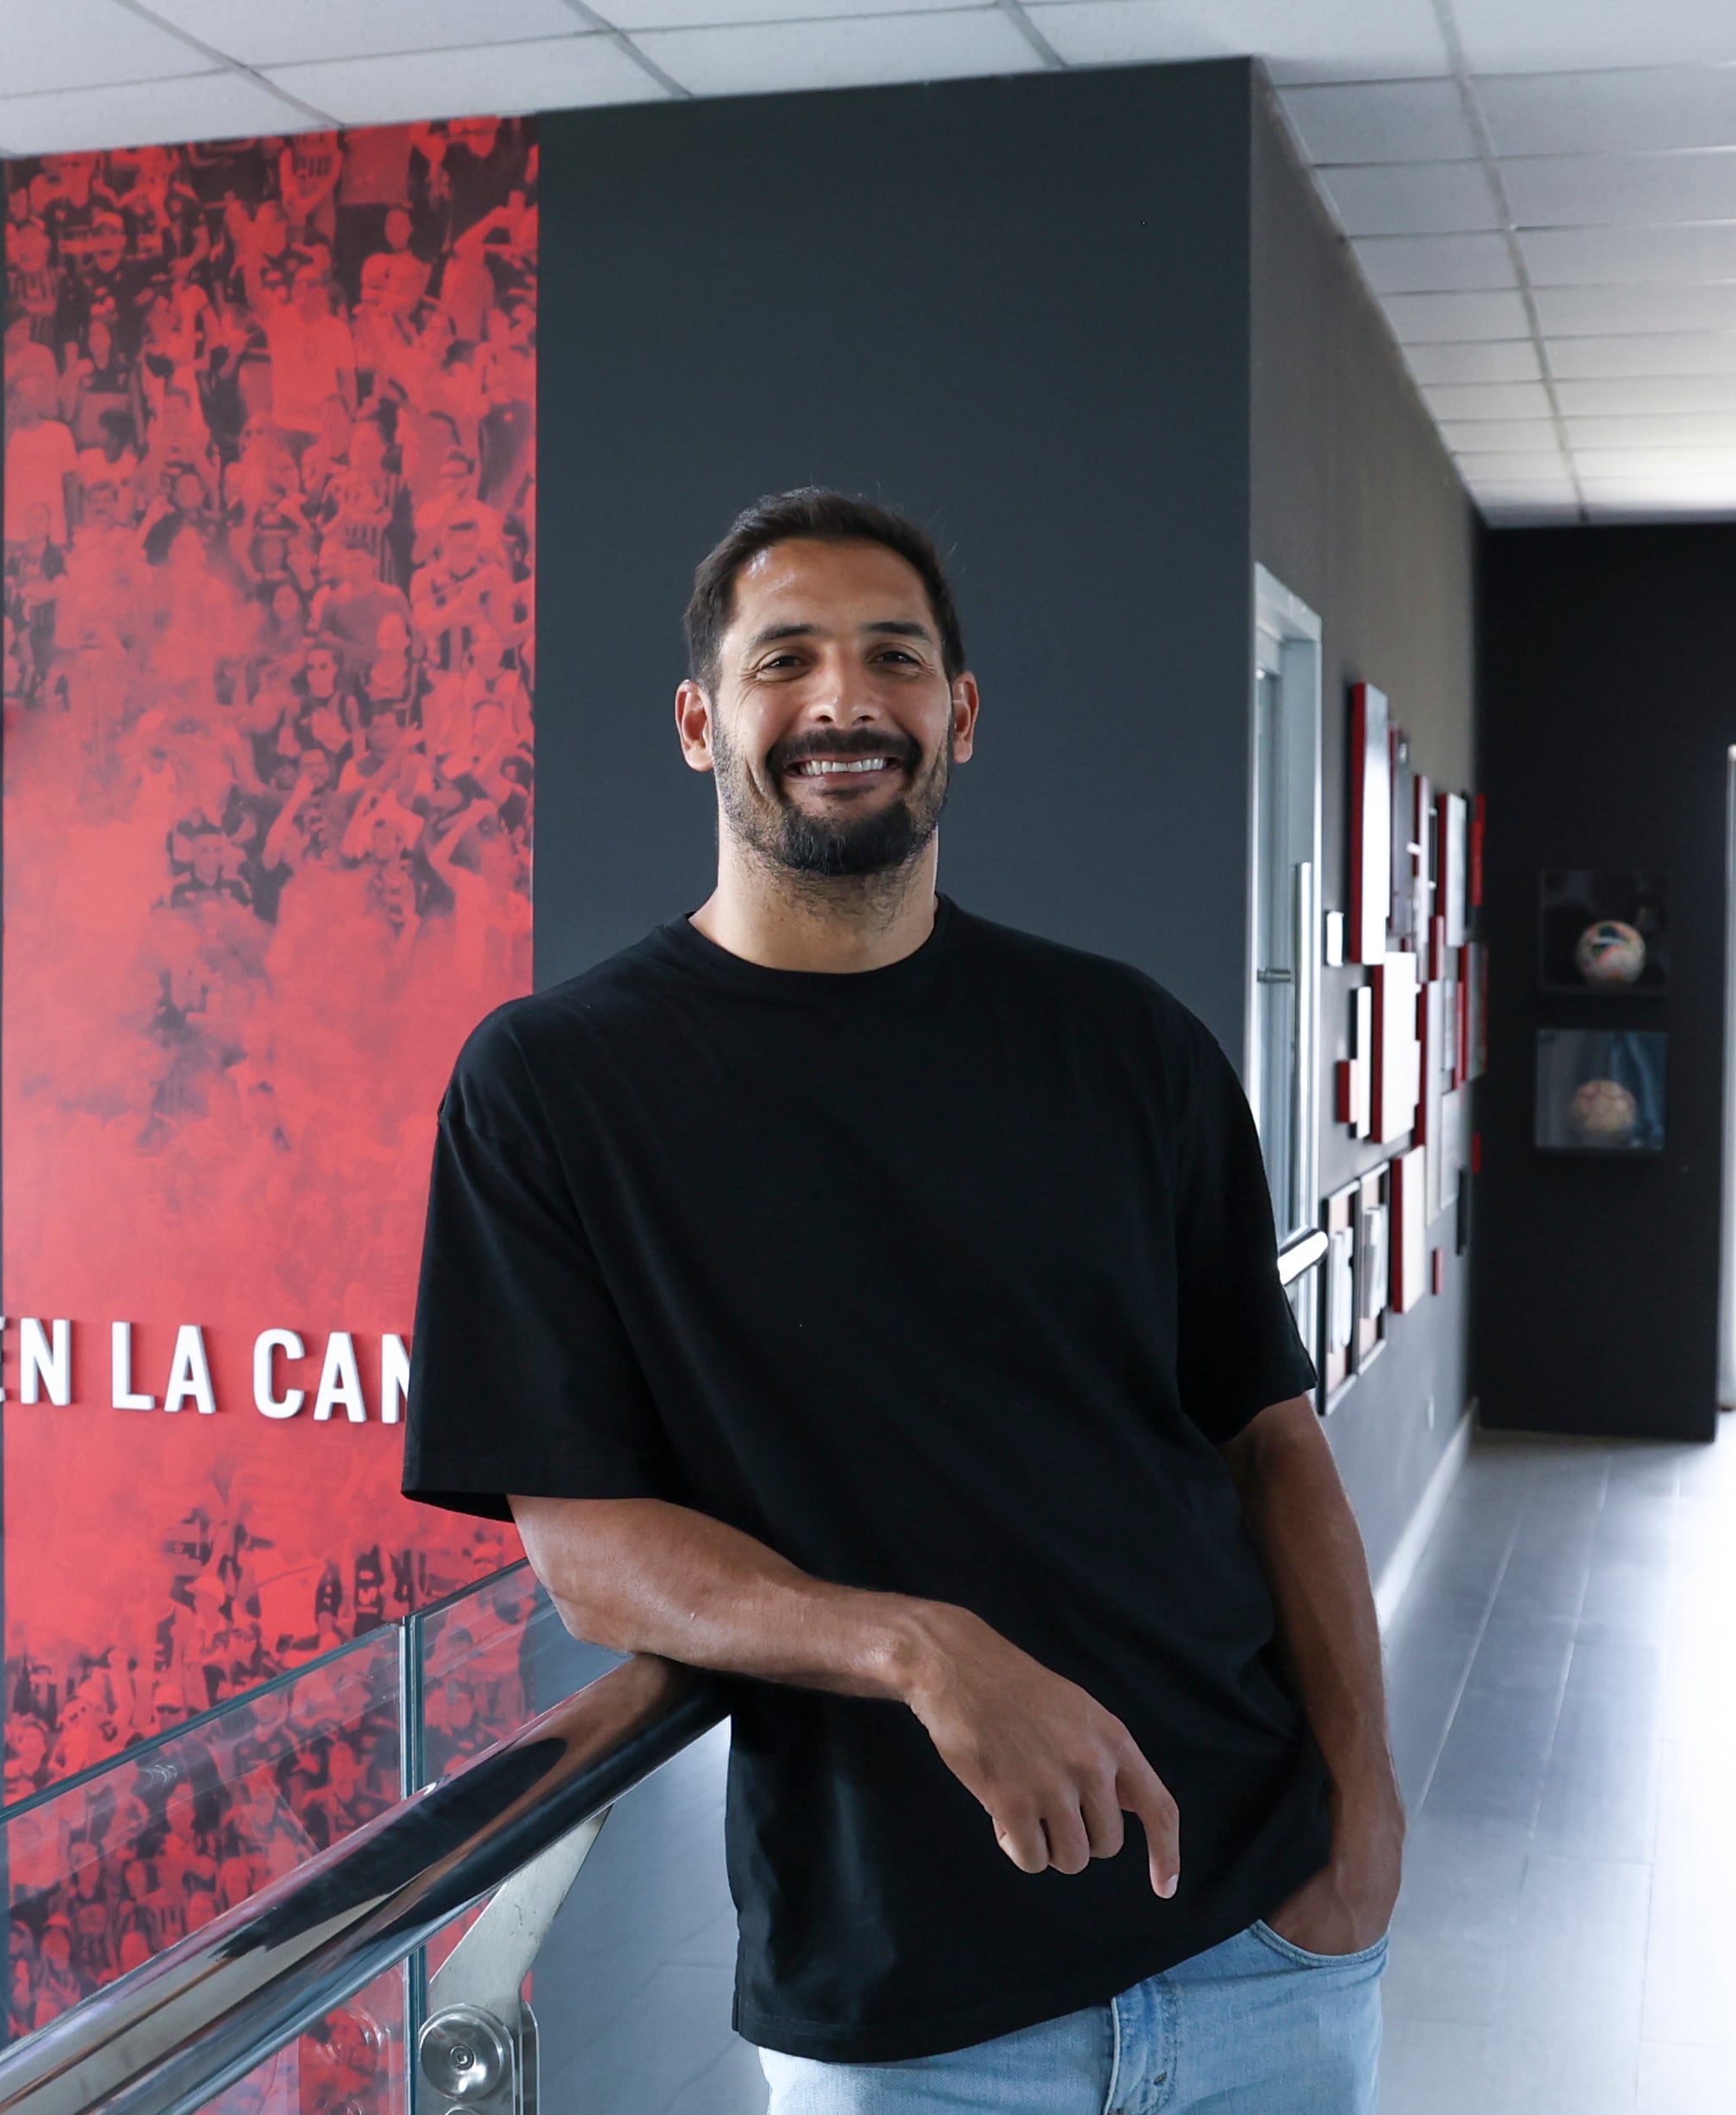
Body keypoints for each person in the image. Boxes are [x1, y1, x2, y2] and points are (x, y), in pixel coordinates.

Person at [402, 489, 1401, 2111]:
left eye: (895, 658)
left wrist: (1363, 1831)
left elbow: (1272, 1446)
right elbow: (586, 1549)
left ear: (960, 714)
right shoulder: (557, 1085)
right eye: (783, 658)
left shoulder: (1129, 1045)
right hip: (913, 2006)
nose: (843, 702)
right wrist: (920, 1649)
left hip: (1260, 1940)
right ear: (697, 722)